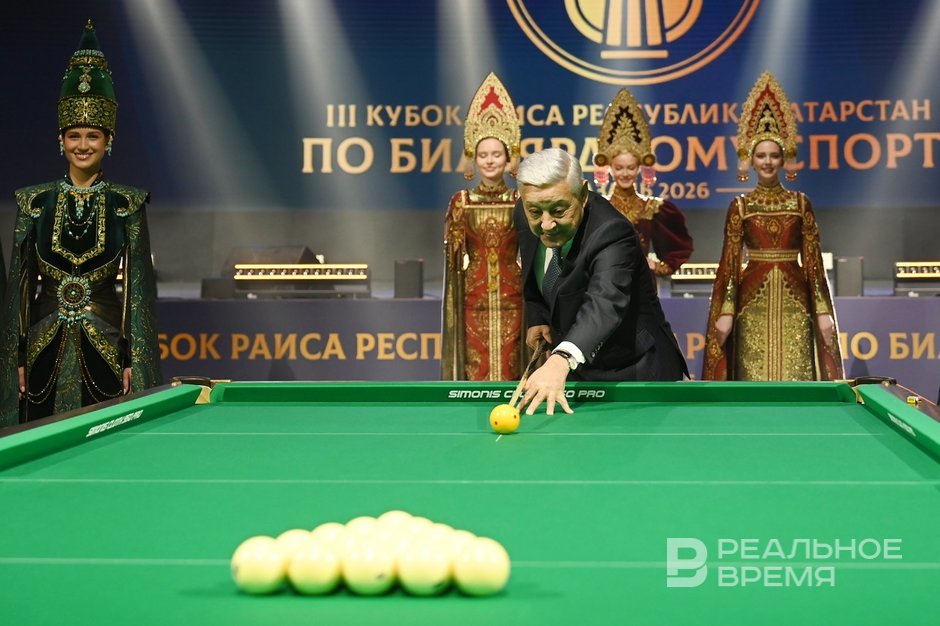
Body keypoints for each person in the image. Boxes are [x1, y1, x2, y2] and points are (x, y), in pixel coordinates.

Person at [0, 20, 161, 426]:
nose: (83, 145)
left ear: (109, 140)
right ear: (61, 139)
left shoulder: (127, 202)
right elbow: (19, 290)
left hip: (105, 347)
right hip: (42, 351)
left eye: (93, 136)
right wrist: (16, 359)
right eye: (74, 135)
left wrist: (134, 362)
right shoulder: (34, 202)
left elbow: (138, 295)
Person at [513, 148, 688, 415]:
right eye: (535, 212)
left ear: (583, 194)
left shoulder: (612, 232)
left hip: (636, 371)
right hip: (579, 370)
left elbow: (604, 302)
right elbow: (535, 267)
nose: (546, 224)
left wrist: (561, 358)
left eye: (559, 210)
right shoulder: (526, 209)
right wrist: (537, 315)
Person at [702, 71, 843, 381]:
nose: (767, 162)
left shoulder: (800, 203)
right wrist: (726, 311)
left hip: (797, 300)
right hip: (750, 302)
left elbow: (814, 264)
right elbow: (729, 264)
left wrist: (822, 310)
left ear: (784, 159)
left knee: (797, 378)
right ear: (750, 160)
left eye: (774, 156)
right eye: (761, 155)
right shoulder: (740, 206)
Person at [442, 72, 525, 381]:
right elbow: (453, 263)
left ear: (508, 157)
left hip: (514, 299)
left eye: (496, 154)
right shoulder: (462, 202)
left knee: (513, 367)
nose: (490, 161)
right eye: (483, 155)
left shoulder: (520, 200)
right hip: (472, 301)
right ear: (474, 159)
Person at [593, 88, 693, 281]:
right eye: (619, 168)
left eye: (630, 167)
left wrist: (658, 266)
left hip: (642, 284)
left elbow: (679, 247)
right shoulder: (599, 207)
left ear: (639, 168)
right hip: (605, 283)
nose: (625, 173)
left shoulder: (652, 207)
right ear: (610, 168)